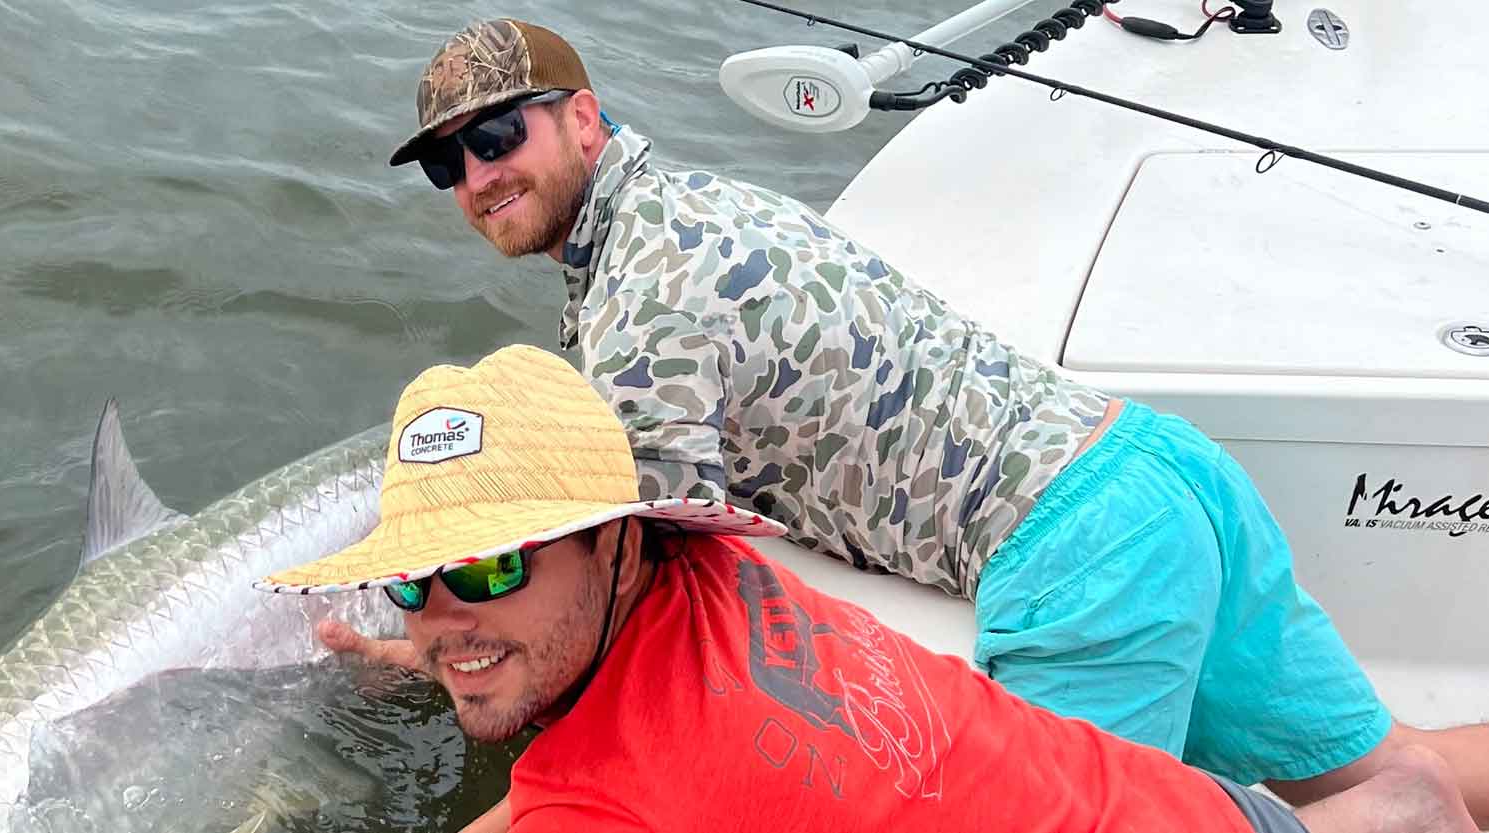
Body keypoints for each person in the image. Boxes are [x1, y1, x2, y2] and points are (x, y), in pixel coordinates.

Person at [327, 16, 1489, 825]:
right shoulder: (683, 203)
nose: (476, 176)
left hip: (1076, 554)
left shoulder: (643, 303)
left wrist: (434, 642)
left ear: (582, 118)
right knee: (1390, 762)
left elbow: (626, 581)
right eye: (445, 164)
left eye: (496, 138)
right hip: (1153, 466)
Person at [257, 344, 1474, 833]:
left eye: (489, 559)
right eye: (411, 581)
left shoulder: (608, 794)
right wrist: (460, 639)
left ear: (621, 539)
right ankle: (1394, 799)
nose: (439, 608)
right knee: (1379, 770)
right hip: (1174, 804)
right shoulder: (708, 572)